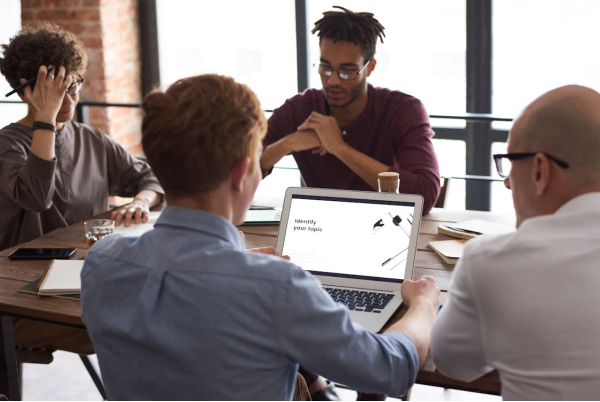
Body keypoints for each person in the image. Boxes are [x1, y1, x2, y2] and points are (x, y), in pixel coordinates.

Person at [81, 74, 441, 400]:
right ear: (241, 172)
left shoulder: (102, 260)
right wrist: (423, 303)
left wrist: (240, 262)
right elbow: (390, 370)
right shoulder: (277, 288)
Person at [0, 23, 164, 354]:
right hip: (23, 295)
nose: (71, 97)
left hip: (83, 280)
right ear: (25, 89)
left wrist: (142, 203)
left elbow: (150, 179)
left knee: (158, 310)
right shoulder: (7, 146)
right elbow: (36, 195)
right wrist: (45, 119)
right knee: (134, 330)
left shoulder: (90, 139)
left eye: (74, 84)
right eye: (58, 88)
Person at [430, 85, 600, 400]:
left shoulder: (492, 262)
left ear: (539, 170)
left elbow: (451, 364)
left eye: (510, 162)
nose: (507, 182)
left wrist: (425, 304)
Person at [262, 6, 440, 214]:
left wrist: (339, 147)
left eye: (347, 71)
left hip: (386, 226)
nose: (333, 80)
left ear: (370, 67)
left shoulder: (402, 110)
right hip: (318, 228)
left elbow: (424, 195)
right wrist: (288, 143)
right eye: (325, 67)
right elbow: (236, 171)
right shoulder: (299, 109)